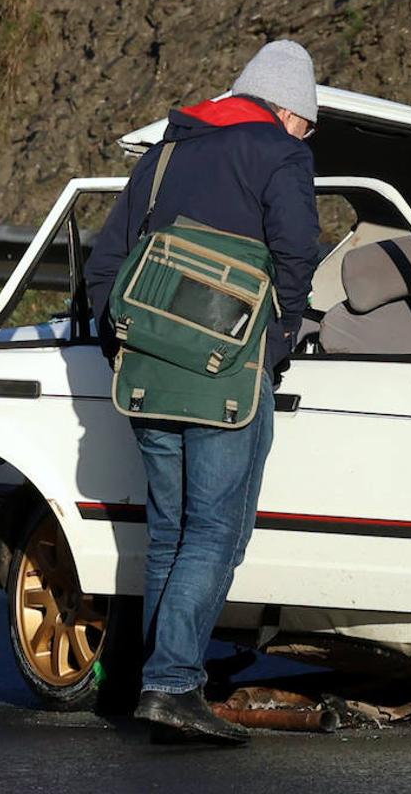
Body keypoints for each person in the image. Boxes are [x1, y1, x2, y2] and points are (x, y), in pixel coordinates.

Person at [84, 40, 321, 745]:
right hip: (228, 375)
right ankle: (174, 683)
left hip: (149, 371)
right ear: (286, 109)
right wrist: (272, 349)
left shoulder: (165, 152)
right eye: (308, 122)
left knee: (170, 536)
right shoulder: (281, 154)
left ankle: (150, 682)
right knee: (216, 532)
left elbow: (106, 260)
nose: (307, 135)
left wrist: (125, 342)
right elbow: (297, 256)